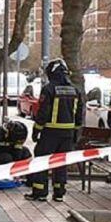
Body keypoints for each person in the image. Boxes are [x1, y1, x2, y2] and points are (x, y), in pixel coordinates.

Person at [26, 58, 82, 202]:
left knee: (42, 160)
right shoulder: (75, 90)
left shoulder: (49, 89)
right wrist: (76, 133)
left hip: (50, 133)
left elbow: (43, 113)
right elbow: (79, 115)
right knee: (61, 162)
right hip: (68, 134)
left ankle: (40, 192)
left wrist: (36, 130)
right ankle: (59, 193)